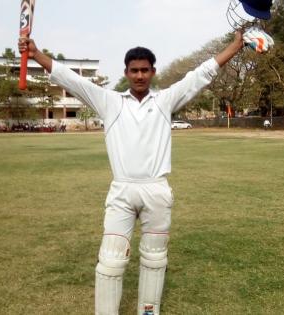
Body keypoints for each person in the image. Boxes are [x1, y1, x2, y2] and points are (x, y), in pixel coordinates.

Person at [19, 30, 251, 315]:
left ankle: (148, 312)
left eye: (145, 70)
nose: (140, 75)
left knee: (154, 257)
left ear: (153, 72)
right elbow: (72, 79)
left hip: (156, 189)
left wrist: (236, 45)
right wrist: (36, 54)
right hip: (122, 190)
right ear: (126, 72)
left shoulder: (164, 101)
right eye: (134, 70)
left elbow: (202, 74)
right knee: (111, 259)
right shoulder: (109, 102)